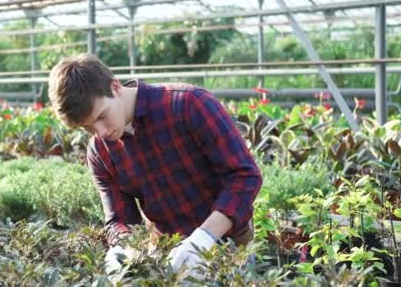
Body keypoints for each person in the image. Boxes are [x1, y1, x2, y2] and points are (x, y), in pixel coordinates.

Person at [48, 53, 263, 280]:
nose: (100, 132)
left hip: (230, 244)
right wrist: (120, 249)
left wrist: (204, 238)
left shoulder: (189, 104)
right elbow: (121, 219)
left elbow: (245, 176)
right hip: (169, 257)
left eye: (102, 116)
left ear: (115, 87)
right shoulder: (100, 152)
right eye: (87, 127)